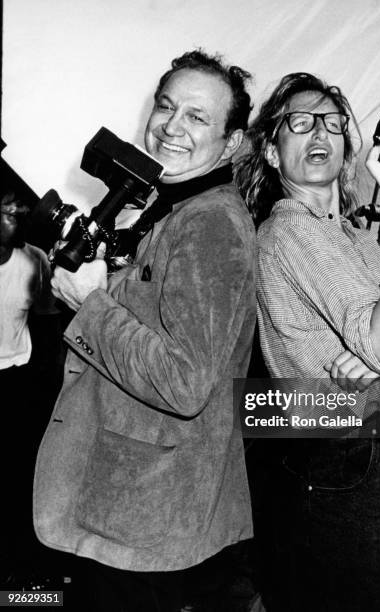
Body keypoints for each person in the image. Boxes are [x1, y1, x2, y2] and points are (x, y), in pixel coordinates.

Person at [33, 50, 256, 611]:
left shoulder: (212, 225)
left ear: (231, 144)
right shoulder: (174, 207)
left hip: (143, 513)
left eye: (197, 118)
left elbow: (184, 382)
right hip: (126, 502)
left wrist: (91, 303)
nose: (171, 127)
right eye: (166, 107)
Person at [236, 72, 380, 612]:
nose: (319, 135)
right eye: (299, 123)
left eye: (334, 124)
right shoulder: (289, 231)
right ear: (270, 149)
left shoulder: (353, 235)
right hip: (339, 454)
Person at [0, 189, 59, 583]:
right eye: (6, 211)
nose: (18, 216)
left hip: (15, 381)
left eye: (19, 209)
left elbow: (48, 323)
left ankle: (23, 583)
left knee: (18, 482)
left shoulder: (34, 260)